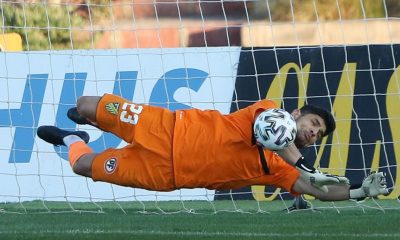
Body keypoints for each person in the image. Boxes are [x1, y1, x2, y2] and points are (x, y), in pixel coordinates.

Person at [37, 94, 388, 201]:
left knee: (83, 166)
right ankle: (95, 122)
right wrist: (308, 165)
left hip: (163, 173)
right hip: (161, 127)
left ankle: (72, 140)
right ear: (296, 114)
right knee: (84, 105)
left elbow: (315, 190)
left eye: (319, 133)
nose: (314, 132)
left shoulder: (278, 168)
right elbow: (275, 133)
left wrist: (358, 192)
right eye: (313, 124)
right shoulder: (268, 112)